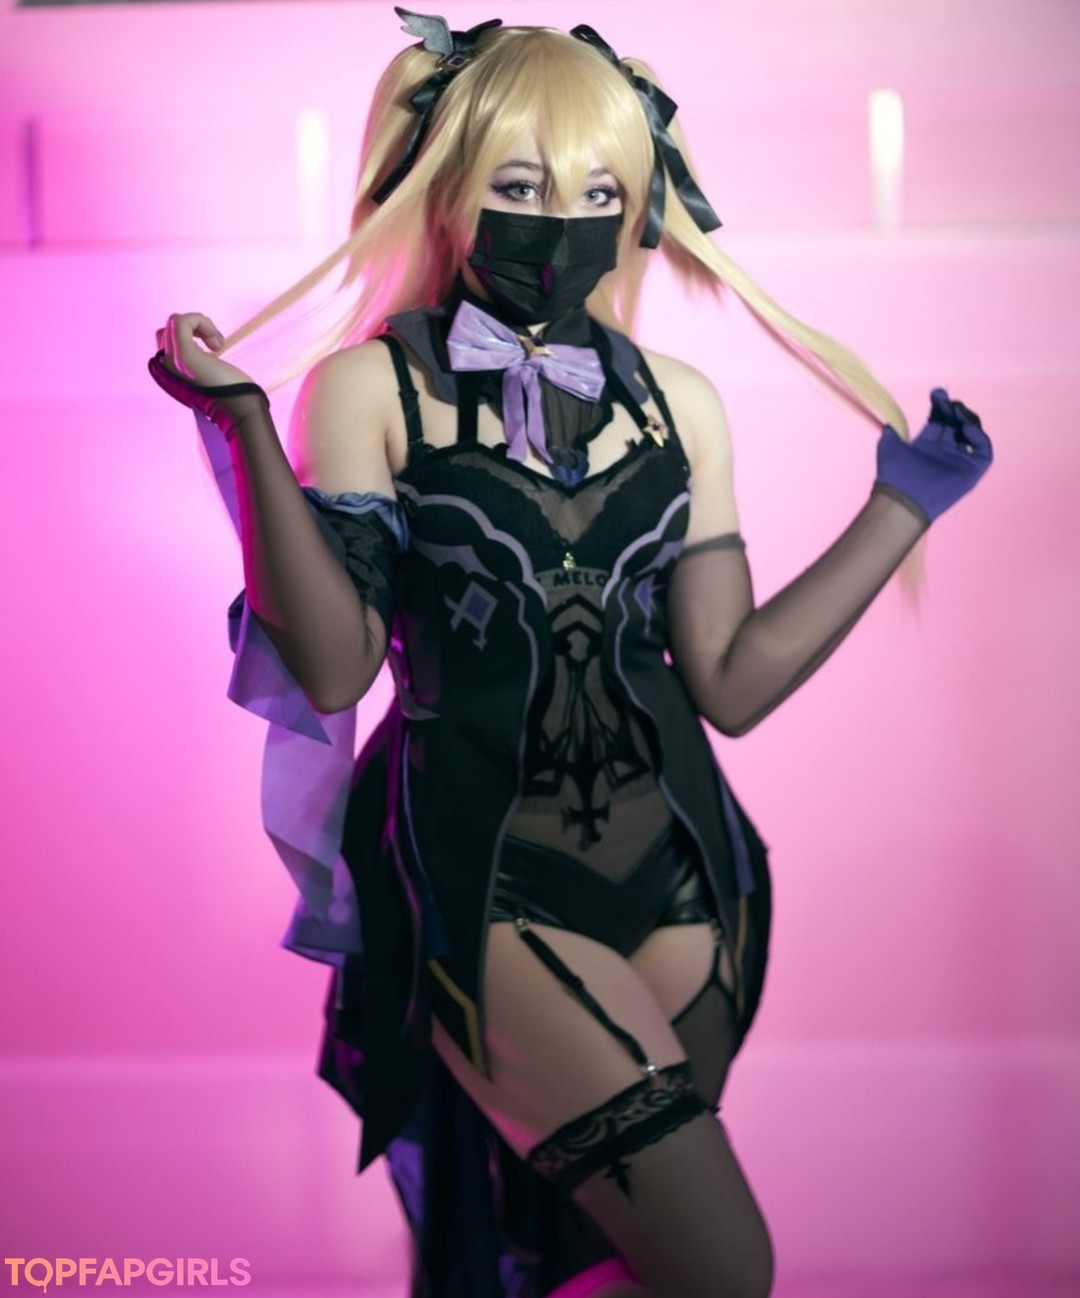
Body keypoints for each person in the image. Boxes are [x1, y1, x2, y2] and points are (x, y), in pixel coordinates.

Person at [148, 12, 992, 1298]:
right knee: (723, 1267)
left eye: (603, 190)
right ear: (445, 189)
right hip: (486, 876)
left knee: (610, 1262)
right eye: (523, 184)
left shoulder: (679, 401)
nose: (565, 220)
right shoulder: (372, 388)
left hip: (690, 874)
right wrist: (247, 430)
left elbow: (731, 680)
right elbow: (334, 668)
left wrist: (901, 507)